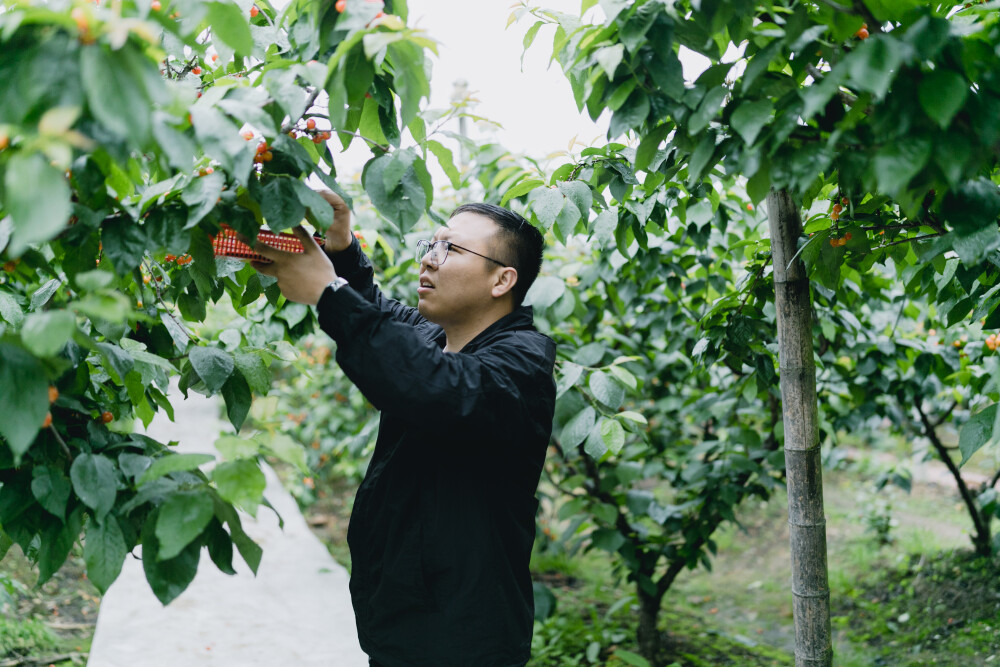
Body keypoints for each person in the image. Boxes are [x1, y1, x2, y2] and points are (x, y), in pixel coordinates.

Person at [250, 190, 557, 667]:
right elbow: (377, 313)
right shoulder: (438, 337)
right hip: (402, 621)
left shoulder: (522, 362)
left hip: (462, 639)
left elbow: (436, 387)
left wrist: (327, 292)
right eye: (430, 247)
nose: (429, 262)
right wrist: (340, 248)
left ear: (502, 280)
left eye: (450, 249)